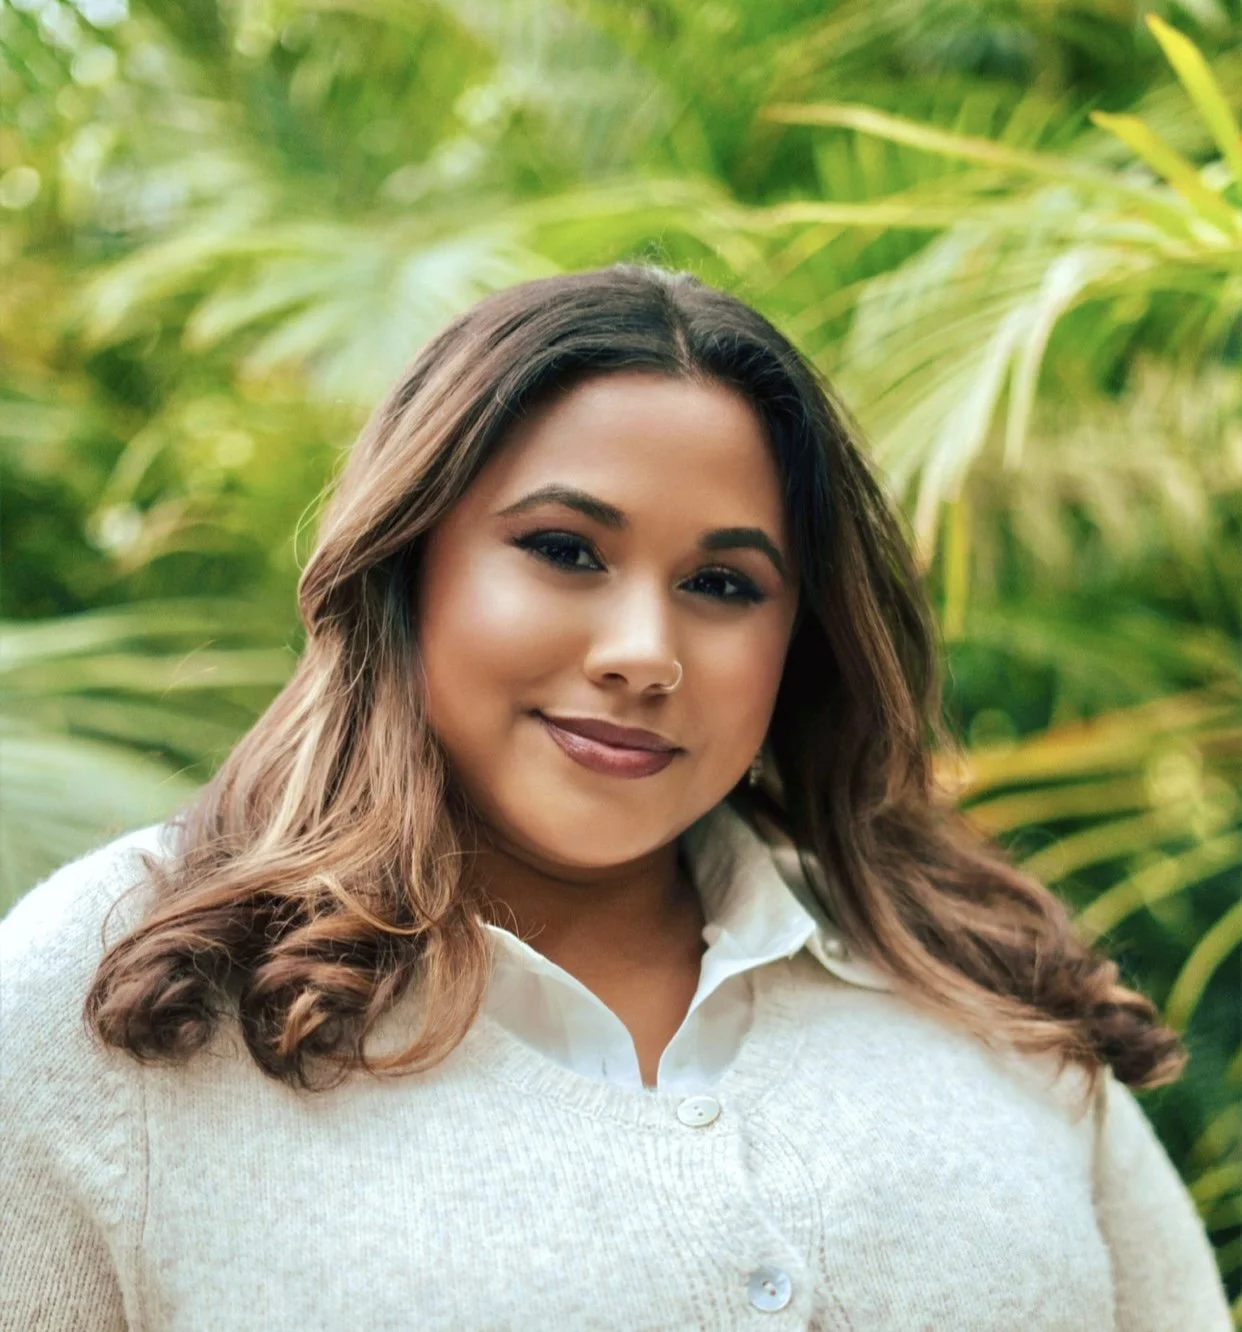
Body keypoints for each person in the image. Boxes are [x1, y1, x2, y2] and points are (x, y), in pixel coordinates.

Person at [0, 265, 1230, 1331]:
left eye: (725, 581)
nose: (644, 649)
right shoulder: (116, 989)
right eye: (565, 551)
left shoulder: (974, 981)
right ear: (407, 562)